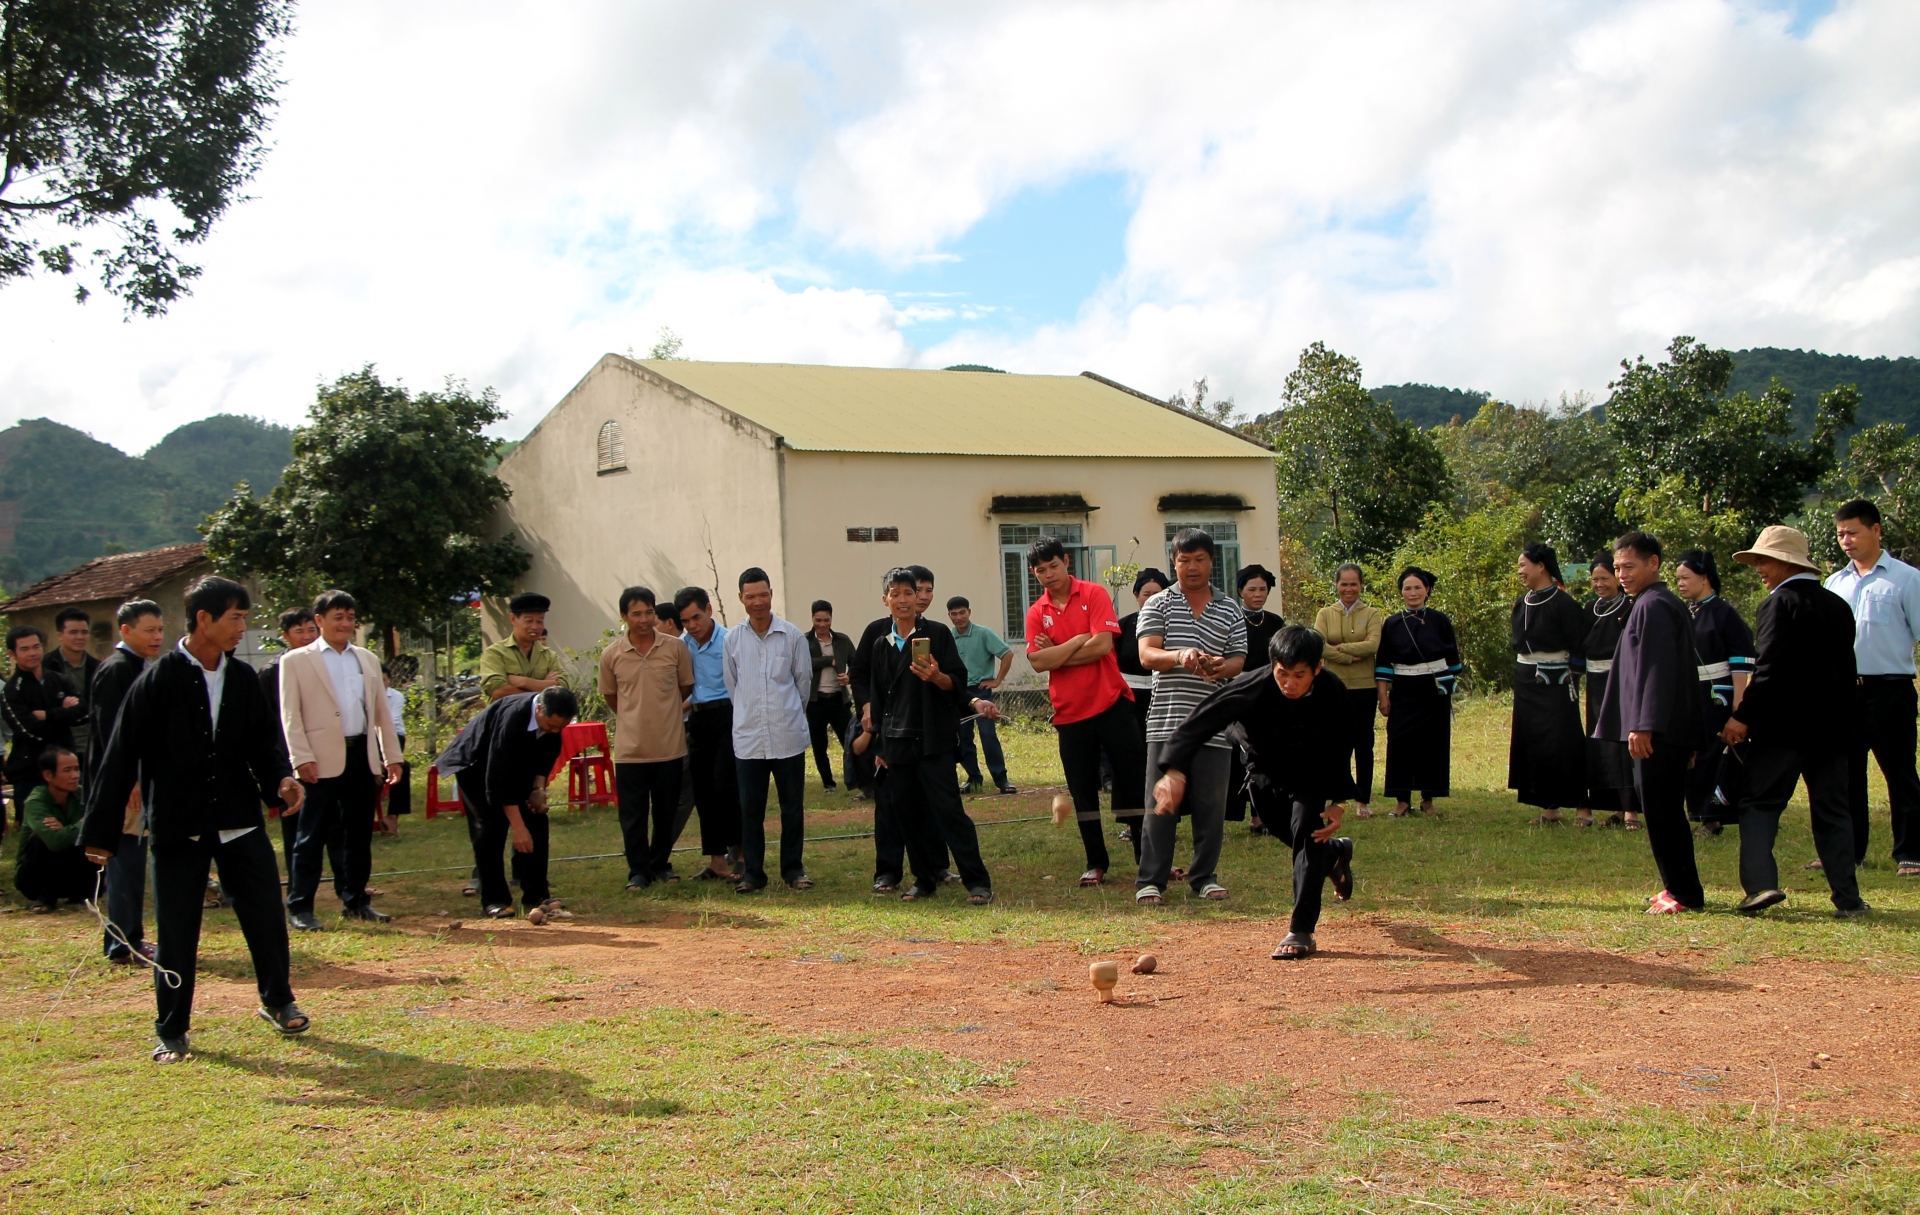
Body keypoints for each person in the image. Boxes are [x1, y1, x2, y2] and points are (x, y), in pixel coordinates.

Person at [80, 576, 309, 1065]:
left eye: (244, 617)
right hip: (178, 825)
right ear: (204, 619)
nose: (241, 627)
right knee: (178, 928)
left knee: (266, 915)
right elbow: (119, 756)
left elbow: (263, 745)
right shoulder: (157, 680)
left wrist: (282, 780)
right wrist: (101, 833)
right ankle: (172, 1028)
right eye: (235, 618)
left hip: (238, 820)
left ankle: (278, 1000)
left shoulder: (243, 678)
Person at [1152, 625, 1356, 960]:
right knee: (1283, 828)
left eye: (1299, 676)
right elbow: (1202, 719)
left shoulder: (1334, 691)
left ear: (1318, 669)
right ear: (1272, 665)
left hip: (1311, 771)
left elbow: (1343, 744)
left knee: (1307, 834)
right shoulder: (1255, 685)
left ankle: (1301, 929)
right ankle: (1332, 855)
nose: (1289, 684)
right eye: (1282, 674)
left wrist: (1338, 802)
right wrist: (1174, 772)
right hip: (1263, 767)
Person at [1717, 526, 1868, 915]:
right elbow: (1847, 671)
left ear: (1785, 562)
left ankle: (1761, 886)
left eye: (1763, 561)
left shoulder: (1777, 605)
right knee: (1834, 812)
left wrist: (1742, 716)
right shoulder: (1838, 606)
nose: (1759, 570)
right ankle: (1848, 900)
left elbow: (1768, 670)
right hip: (1831, 730)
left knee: (1760, 805)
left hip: (1782, 730)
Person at [1592, 532, 1708, 915]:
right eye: (1618, 567)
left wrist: (1644, 725)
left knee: (1663, 811)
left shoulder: (1655, 605)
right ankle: (1676, 886)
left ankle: (1684, 893)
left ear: (1653, 564)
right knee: (1662, 809)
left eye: (1630, 566)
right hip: (1666, 729)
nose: (1622, 574)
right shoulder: (1649, 603)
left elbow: (1657, 672)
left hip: (1658, 731)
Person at [866, 567, 996, 904]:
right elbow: (879, 696)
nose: (903, 599)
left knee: (949, 811)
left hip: (933, 738)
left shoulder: (937, 634)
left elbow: (957, 683)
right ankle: (924, 879)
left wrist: (937, 676)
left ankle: (977, 881)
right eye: (896, 593)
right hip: (896, 741)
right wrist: (880, 743)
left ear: (918, 598)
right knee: (907, 815)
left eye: (909, 593)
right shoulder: (882, 643)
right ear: (886, 600)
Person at [279, 590, 405, 930]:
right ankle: (300, 905)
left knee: (359, 834)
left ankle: (356, 900)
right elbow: (290, 715)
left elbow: (381, 712)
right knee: (310, 835)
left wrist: (392, 756)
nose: (345, 624)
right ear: (319, 620)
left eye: (350, 618)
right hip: (318, 761)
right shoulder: (295, 660)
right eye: (338, 617)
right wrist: (301, 757)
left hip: (360, 757)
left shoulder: (365, 659)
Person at [1024, 536, 1145, 884]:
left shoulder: (1093, 594)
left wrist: (1059, 651)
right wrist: (1079, 639)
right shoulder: (1037, 612)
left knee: (1132, 782)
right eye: (1040, 570)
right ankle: (1096, 862)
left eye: (1054, 566)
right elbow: (1036, 662)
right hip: (1069, 712)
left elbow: (1103, 645)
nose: (1049, 574)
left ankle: (1146, 858)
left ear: (1066, 562)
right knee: (1082, 790)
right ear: (1035, 573)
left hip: (1111, 702)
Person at [1135, 528, 1246, 904]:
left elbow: (1238, 661)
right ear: (1173, 561)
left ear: (1212, 561)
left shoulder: (1230, 609)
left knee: (1212, 806)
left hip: (1215, 725)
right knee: (1160, 804)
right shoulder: (1158, 605)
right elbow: (1147, 655)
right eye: (1184, 560)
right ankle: (1151, 880)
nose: (1192, 567)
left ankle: (1204, 877)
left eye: (1199, 559)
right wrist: (1180, 655)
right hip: (1166, 721)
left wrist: (1219, 667)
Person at [1825, 499, 1920, 876]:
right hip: (1846, 690)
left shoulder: (1906, 578)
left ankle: (1911, 852)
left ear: (1876, 530)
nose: (1845, 540)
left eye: (1853, 532)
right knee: (1846, 775)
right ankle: (1850, 851)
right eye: (1840, 534)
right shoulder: (1835, 582)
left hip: (1890, 689)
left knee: (1899, 771)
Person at [434, 686, 579, 919]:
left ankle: (537, 894)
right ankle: (495, 899)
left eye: (560, 728)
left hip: (514, 768)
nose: (554, 731)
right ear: (539, 709)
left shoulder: (554, 725)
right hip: (477, 768)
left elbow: (544, 759)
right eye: (551, 725)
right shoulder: (514, 717)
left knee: (537, 818)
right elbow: (499, 779)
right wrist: (518, 828)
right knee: (490, 828)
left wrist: (537, 791)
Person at [723, 567, 814, 893]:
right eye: (751, 596)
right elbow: (733, 687)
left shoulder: (792, 637)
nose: (757, 602)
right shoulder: (732, 640)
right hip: (749, 739)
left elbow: (803, 684)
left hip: (786, 735)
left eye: (763, 594)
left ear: (771, 594)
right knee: (751, 811)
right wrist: (752, 715)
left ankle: (793, 869)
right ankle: (753, 873)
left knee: (792, 807)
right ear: (741, 599)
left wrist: (785, 713)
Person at [599, 586, 693, 890]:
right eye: (636, 613)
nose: (644, 619)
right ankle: (638, 871)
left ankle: (659, 864)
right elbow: (612, 697)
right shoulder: (612, 655)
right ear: (624, 616)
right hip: (631, 750)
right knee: (633, 815)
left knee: (666, 813)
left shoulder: (675, 648)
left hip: (669, 747)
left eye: (649, 612)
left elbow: (684, 688)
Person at [90, 599, 167, 962]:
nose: (157, 637)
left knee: (135, 861)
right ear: (125, 631)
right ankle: (121, 943)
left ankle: (131, 937)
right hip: (124, 785)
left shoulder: (142, 667)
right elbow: (111, 734)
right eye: (149, 630)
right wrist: (129, 781)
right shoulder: (116, 670)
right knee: (124, 861)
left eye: (160, 630)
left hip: (141, 779)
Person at [1674, 549, 1755, 836]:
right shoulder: (1684, 612)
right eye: (1677, 579)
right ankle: (1697, 812)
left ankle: (1715, 816)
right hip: (1690, 693)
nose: (1681, 583)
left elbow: (1742, 657)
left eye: (1686, 577)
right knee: (1692, 753)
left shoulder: (1724, 612)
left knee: (1714, 753)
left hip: (1717, 692)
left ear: (1705, 578)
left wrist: (1739, 699)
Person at [1508, 543, 1589, 823]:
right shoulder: (1521, 603)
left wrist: (1570, 678)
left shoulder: (1564, 604)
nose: (1520, 571)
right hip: (1526, 680)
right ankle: (1549, 806)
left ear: (1541, 566)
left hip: (1557, 682)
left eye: (1523, 565)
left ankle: (1582, 807)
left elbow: (1579, 647)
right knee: (1533, 742)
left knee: (1564, 741)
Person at [1375, 568, 1460, 816]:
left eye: (1417, 587)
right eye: (1407, 588)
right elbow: (1383, 663)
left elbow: (1454, 662)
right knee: (1400, 742)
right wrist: (1383, 696)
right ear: (1401, 592)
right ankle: (1402, 800)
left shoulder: (1440, 620)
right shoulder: (1391, 623)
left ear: (1427, 590)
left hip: (1434, 691)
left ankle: (1428, 798)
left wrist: (1445, 683)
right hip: (1404, 690)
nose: (1413, 593)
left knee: (1433, 744)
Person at [676, 586, 740, 882]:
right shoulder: (682, 644)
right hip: (698, 720)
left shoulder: (730, 640)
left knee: (726, 786)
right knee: (703, 790)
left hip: (728, 715)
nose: (693, 626)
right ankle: (717, 861)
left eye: (696, 617)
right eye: (686, 621)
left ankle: (740, 854)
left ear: (709, 609)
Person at [1312, 564, 1382, 819]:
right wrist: (1349, 656)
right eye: (1344, 584)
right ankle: (1336, 798)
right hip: (1333, 685)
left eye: (1354, 584)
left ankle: (1362, 800)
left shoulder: (1372, 613)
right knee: (1334, 744)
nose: (1349, 588)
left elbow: (1373, 645)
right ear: (1336, 585)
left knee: (1364, 744)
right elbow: (1317, 645)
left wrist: (1340, 648)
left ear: (1361, 585)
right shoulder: (1325, 613)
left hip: (1364, 687)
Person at [1576, 554, 1640, 829]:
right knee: (1600, 744)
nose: (1599, 584)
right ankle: (1612, 807)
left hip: (1621, 680)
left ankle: (1631, 812)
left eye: (1605, 578)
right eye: (1595, 580)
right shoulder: (1590, 608)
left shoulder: (1631, 605)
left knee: (1623, 744)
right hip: (1595, 682)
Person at [3, 624, 83, 831]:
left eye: (36, 646)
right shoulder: (12, 690)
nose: (32, 653)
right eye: (25, 649)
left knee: (72, 829)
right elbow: (30, 731)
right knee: (36, 835)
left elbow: (83, 713)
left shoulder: (59, 680)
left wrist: (49, 714)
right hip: (30, 771)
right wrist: (64, 714)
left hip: (67, 767)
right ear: (12, 654)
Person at [259, 608, 320, 872]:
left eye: (311, 630)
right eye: (299, 631)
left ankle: (349, 888)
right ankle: (298, 886)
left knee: (335, 825)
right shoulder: (271, 672)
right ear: (285, 636)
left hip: (326, 757)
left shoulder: (326, 664)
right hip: (290, 759)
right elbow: (267, 723)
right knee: (296, 824)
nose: (307, 637)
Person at [947, 595, 1016, 795]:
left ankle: (1001, 780)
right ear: (949, 616)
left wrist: (997, 680)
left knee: (988, 735)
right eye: (954, 614)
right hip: (959, 693)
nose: (959, 617)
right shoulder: (948, 636)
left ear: (969, 612)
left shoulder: (983, 633)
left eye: (962, 612)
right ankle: (973, 778)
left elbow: (1007, 653)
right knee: (963, 737)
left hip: (980, 690)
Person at [15, 748, 94, 911]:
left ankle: (82, 893)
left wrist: (66, 829)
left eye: (76, 769)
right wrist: (84, 823)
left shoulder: (80, 794)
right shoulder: (36, 802)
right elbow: (54, 842)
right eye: (67, 770)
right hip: (34, 879)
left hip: (71, 874)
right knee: (41, 839)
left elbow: (97, 826)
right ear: (48, 775)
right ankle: (45, 898)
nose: (75, 775)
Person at [804, 600, 854, 792]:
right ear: (812, 619)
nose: (822, 624)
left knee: (850, 741)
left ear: (831, 619)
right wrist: (828, 661)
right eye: (818, 620)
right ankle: (828, 783)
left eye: (826, 620)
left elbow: (857, 663)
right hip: (815, 700)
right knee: (819, 745)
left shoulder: (842, 641)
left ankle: (856, 779)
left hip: (838, 699)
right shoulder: (805, 641)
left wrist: (849, 677)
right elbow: (803, 664)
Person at [1115, 568, 1169, 746]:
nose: (1152, 599)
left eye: (1157, 594)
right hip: (1128, 700)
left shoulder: (1175, 626)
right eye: (1147, 594)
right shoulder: (1122, 626)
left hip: (1162, 698)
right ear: (1136, 595)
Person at [478, 592, 563, 702]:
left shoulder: (549, 656)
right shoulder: (495, 653)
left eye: (539, 621)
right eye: (529, 621)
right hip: (507, 718)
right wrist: (543, 689)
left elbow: (562, 687)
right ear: (513, 619)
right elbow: (497, 690)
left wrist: (524, 682)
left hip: (539, 719)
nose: (535, 627)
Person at [43, 607, 98, 760]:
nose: (80, 637)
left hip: (90, 745)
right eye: (73, 632)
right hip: (56, 747)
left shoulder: (98, 668)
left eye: (84, 632)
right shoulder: (46, 666)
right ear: (60, 635)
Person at [380, 658, 414, 828]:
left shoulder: (396, 696)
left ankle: (392, 816)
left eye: (384, 680)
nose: (381, 683)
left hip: (393, 736)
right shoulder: (362, 695)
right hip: (369, 741)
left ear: (390, 680)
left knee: (403, 768)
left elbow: (390, 722)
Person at [1237, 565, 1283, 664]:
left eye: (1262, 589)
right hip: (1240, 678)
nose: (1258, 594)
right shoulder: (1233, 621)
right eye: (1252, 589)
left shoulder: (1276, 622)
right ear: (1241, 591)